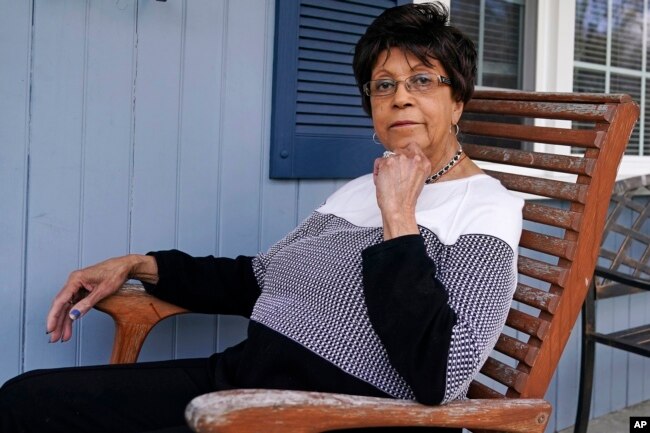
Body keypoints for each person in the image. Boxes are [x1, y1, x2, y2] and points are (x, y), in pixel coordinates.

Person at [0, 2, 523, 432]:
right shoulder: (361, 189)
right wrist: (140, 264)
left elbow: (440, 373)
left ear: (458, 101)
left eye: (422, 80)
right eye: (382, 85)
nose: (400, 97)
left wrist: (399, 219)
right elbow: (258, 278)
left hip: (314, 417)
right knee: (24, 400)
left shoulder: (484, 209)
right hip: (241, 380)